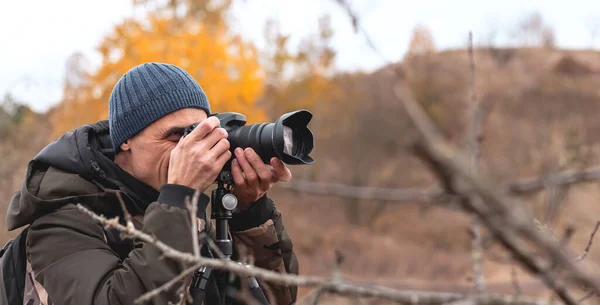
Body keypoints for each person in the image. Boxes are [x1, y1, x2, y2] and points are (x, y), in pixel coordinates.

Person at [2, 62, 298, 305]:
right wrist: (180, 199)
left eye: (200, 135)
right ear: (126, 140)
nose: (190, 150)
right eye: (175, 137)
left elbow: (274, 298)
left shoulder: (184, 215)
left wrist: (250, 214)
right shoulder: (59, 223)